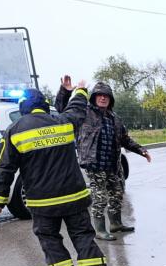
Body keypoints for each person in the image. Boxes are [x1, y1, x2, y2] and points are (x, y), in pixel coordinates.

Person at [0, 85, 112, 266]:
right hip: (74, 196)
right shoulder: (62, 121)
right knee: (82, 235)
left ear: (23, 107)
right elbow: (77, 109)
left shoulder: (14, 130)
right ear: (45, 105)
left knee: (50, 239)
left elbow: (4, 168)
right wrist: (80, 90)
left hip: (42, 202)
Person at [55, 77, 151, 241]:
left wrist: (141, 150)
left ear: (110, 99)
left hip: (113, 164)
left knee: (117, 194)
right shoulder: (84, 113)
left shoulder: (115, 118)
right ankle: (100, 230)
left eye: (106, 96)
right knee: (100, 197)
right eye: (99, 95)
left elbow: (125, 139)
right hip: (94, 164)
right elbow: (62, 109)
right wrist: (65, 91)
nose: (103, 98)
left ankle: (116, 224)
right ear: (93, 97)